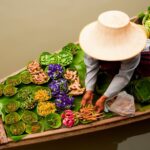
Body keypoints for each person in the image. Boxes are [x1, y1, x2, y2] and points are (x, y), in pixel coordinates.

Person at [79, 10, 149, 112]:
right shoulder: (92, 45)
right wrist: (89, 90)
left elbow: (124, 76)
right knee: (108, 67)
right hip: (117, 61)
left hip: (143, 56)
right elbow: (91, 66)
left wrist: (104, 98)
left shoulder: (132, 49)